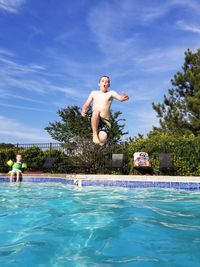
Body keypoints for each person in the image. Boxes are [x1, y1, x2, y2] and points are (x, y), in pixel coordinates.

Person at [81, 75, 129, 145]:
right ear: (99, 84)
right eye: (103, 81)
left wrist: (124, 98)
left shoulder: (111, 93)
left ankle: (100, 141)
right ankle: (94, 134)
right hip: (95, 117)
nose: (104, 83)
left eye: (107, 82)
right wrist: (84, 110)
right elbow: (86, 104)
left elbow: (120, 98)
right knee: (96, 112)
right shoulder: (94, 93)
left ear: (108, 85)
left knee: (102, 138)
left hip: (105, 121)